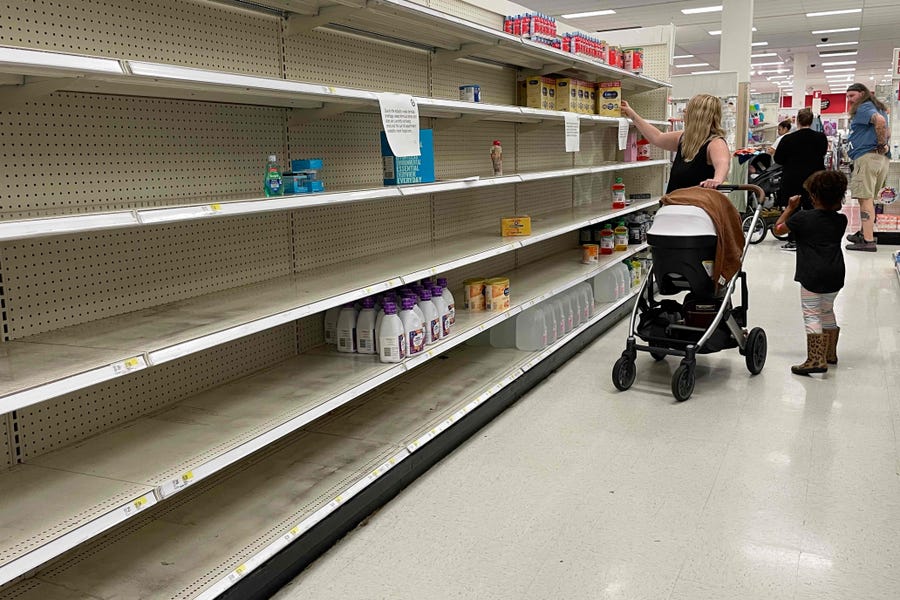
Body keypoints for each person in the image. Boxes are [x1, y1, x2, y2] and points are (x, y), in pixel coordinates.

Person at [774, 170, 848, 376]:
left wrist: (789, 208)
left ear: (813, 197)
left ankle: (816, 359)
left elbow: (778, 229)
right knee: (827, 311)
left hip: (811, 274)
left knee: (811, 313)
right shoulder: (841, 220)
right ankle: (830, 353)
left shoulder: (802, 218)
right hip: (835, 273)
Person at [621, 94, 730, 193]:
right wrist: (632, 114)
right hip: (674, 207)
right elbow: (657, 137)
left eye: (688, 109)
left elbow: (723, 163)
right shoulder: (685, 138)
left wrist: (717, 180)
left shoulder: (716, 143)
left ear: (697, 115)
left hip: (696, 209)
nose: (684, 111)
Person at [844, 82, 890, 252]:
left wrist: (879, 143)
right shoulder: (880, 108)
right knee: (870, 198)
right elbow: (887, 128)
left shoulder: (864, 107)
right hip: (879, 159)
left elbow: (879, 122)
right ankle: (864, 232)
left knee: (865, 199)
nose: (849, 100)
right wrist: (883, 145)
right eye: (848, 96)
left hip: (867, 157)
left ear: (862, 94)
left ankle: (868, 240)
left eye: (852, 96)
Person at [774, 108, 828, 250]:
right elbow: (822, 153)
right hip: (814, 179)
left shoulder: (788, 139)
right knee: (813, 207)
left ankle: (794, 240)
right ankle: (812, 238)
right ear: (811, 121)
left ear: (797, 121)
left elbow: (778, 158)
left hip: (792, 178)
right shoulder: (820, 137)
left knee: (793, 208)